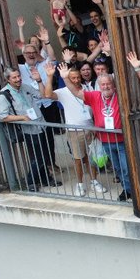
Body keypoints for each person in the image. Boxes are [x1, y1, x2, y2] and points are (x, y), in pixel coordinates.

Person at [40, 59, 104, 197]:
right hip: (75, 131)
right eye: (73, 78)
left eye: (78, 77)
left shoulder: (88, 88)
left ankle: (94, 181)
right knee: (78, 159)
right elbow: (48, 94)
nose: (76, 80)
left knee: (92, 157)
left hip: (91, 129)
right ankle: (80, 184)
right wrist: (50, 76)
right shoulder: (63, 91)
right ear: (68, 79)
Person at [0, 66, 58, 192]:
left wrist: (40, 81)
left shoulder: (25, 86)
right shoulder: (4, 95)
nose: (18, 79)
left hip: (40, 124)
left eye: (18, 76)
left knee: (44, 154)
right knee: (38, 157)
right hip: (28, 129)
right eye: (14, 77)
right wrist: (22, 118)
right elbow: (3, 116)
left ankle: (46, 178)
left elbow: (42, 95)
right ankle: (30, 181)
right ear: (8, 79)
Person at [83, 74, 131, 202]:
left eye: (108, 83)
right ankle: (127, 190)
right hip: (106, 141)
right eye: (103, 84)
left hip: (122, 140)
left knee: (126, 167)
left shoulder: (120, 94)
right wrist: (65, 78)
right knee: (118, 168)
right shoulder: (95, 96)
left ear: (113, 84)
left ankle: (132, 190)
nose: (106, 86)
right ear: (99, 86)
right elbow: (77, 93)